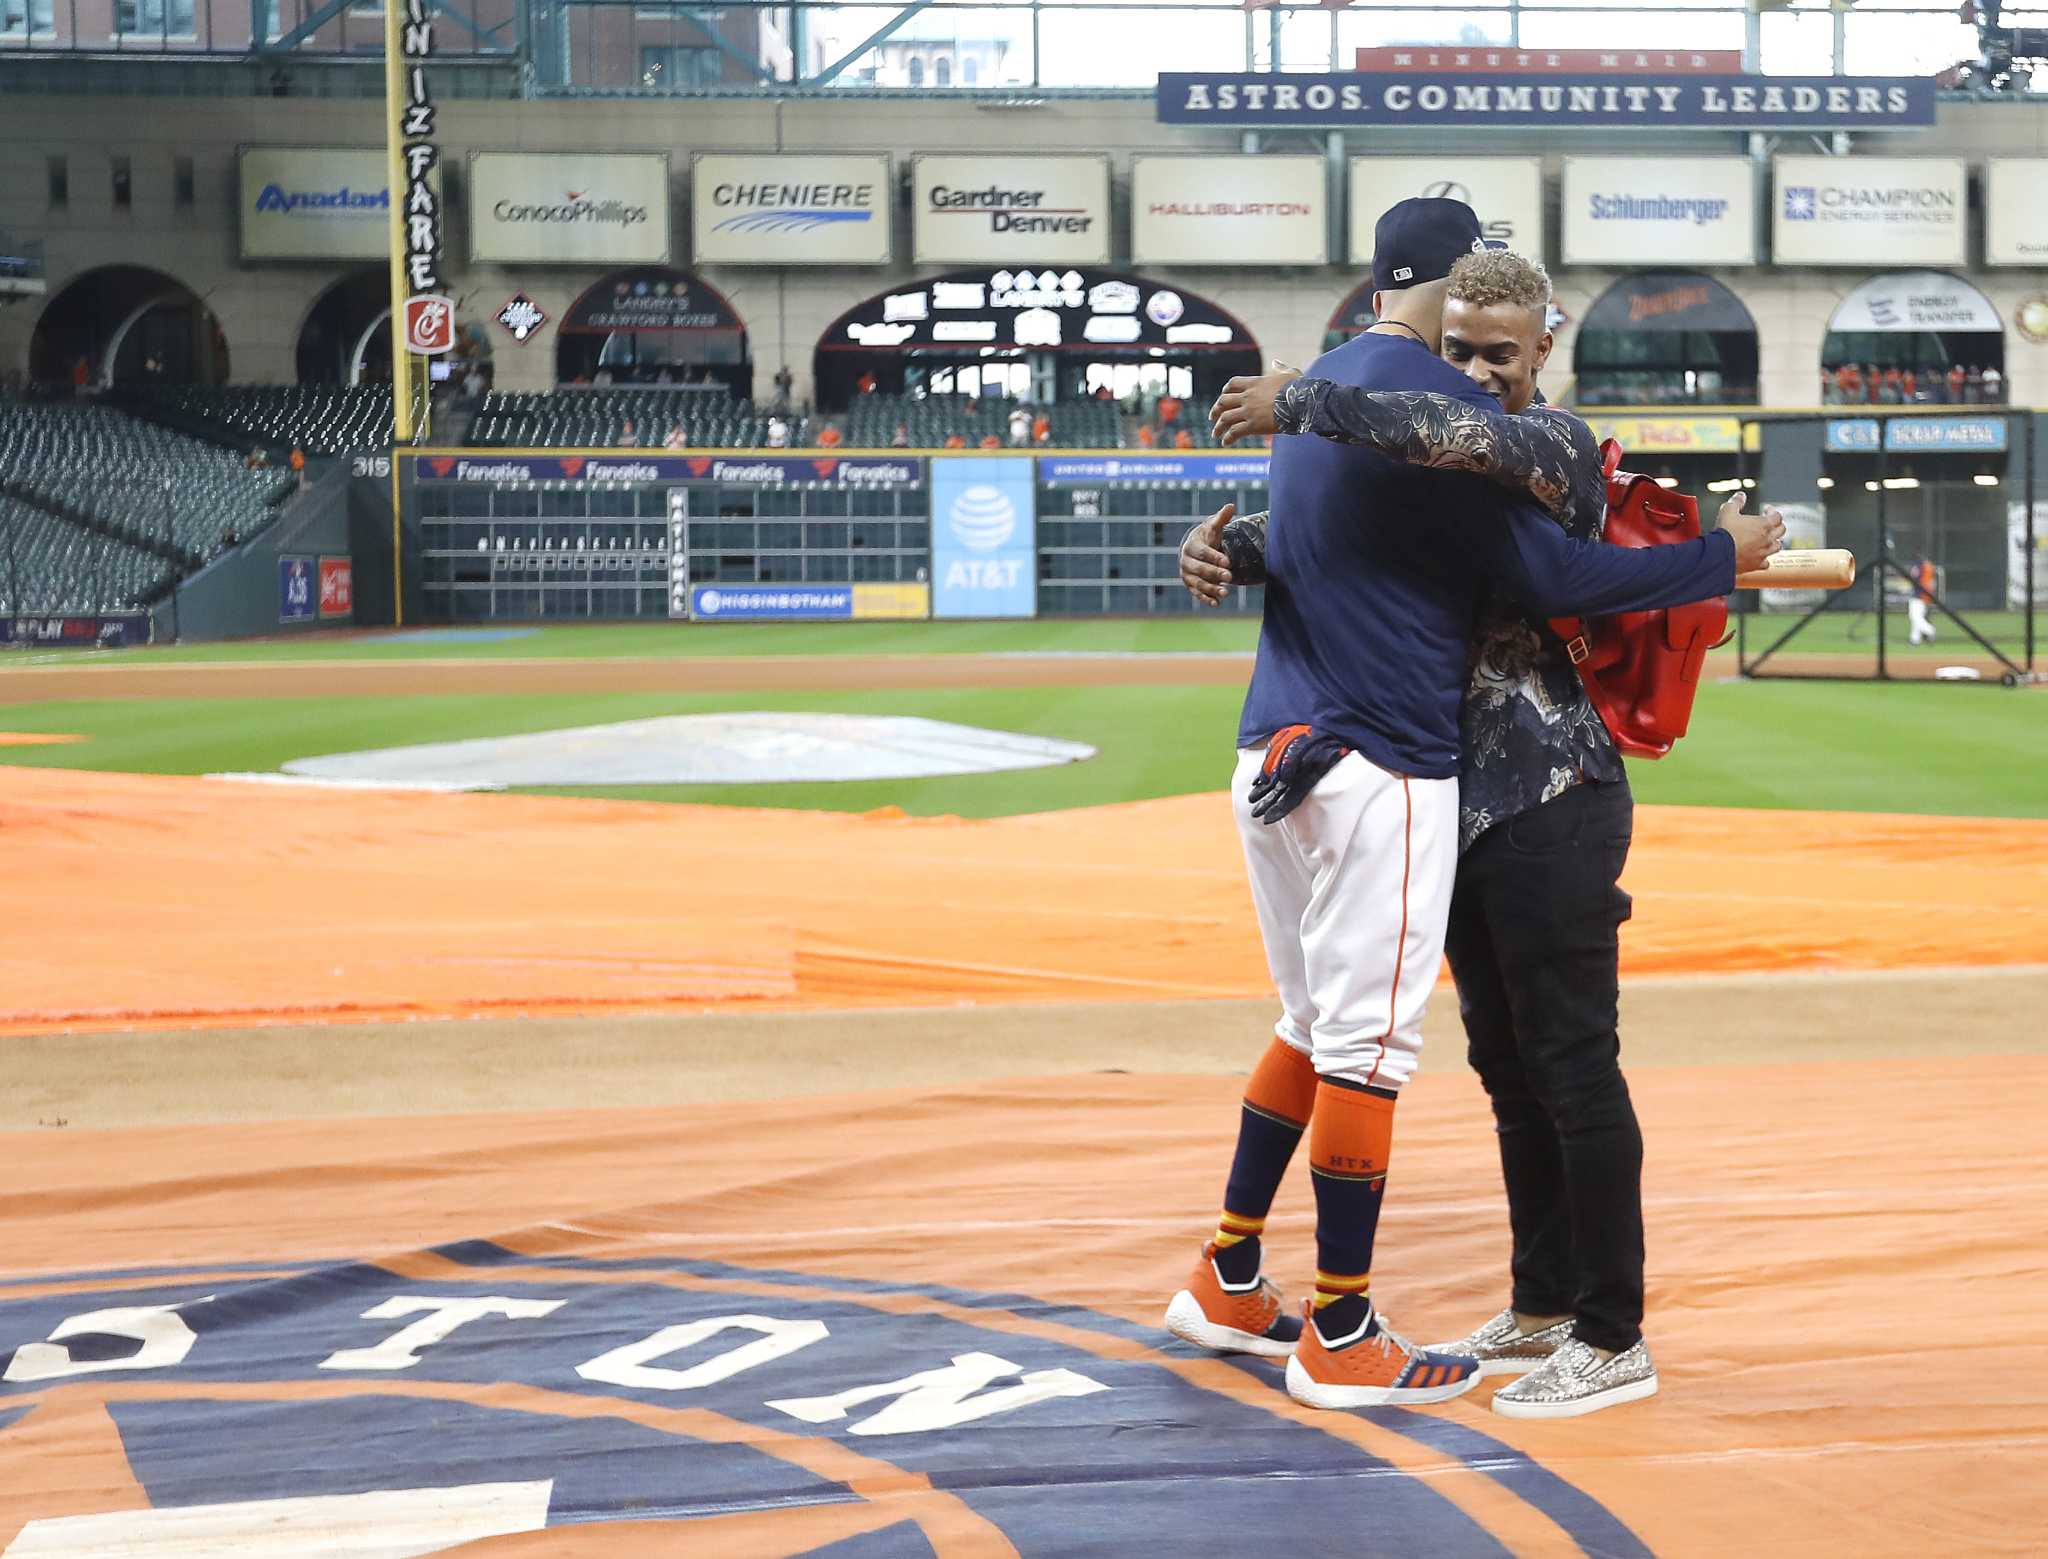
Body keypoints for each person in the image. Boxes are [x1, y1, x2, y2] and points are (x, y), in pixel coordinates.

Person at [1158, 201, 1782, 1413]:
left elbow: (1540, 565)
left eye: (1503, 348)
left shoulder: (1536, 437)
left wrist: (1714, 554)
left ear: (1541, 345)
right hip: (1459, 797)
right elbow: (1369, 545)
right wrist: (1243, 555)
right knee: (1502, 1064)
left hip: (1552, 790)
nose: (1479, 368)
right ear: (1436, 332)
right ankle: (1541, 1299)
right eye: (1461, 345)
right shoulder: (1434, 446)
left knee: (1569, 1063)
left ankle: (1610, 1335)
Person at [1909, 554, 1938, 644]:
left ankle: (1930, 630)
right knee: (1917, 617)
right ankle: (1915, 639)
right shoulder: (1930, 567)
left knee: (1915, 617)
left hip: (1919, 595)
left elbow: (1914, 576)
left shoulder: (1920, 565)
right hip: (1925, 596)